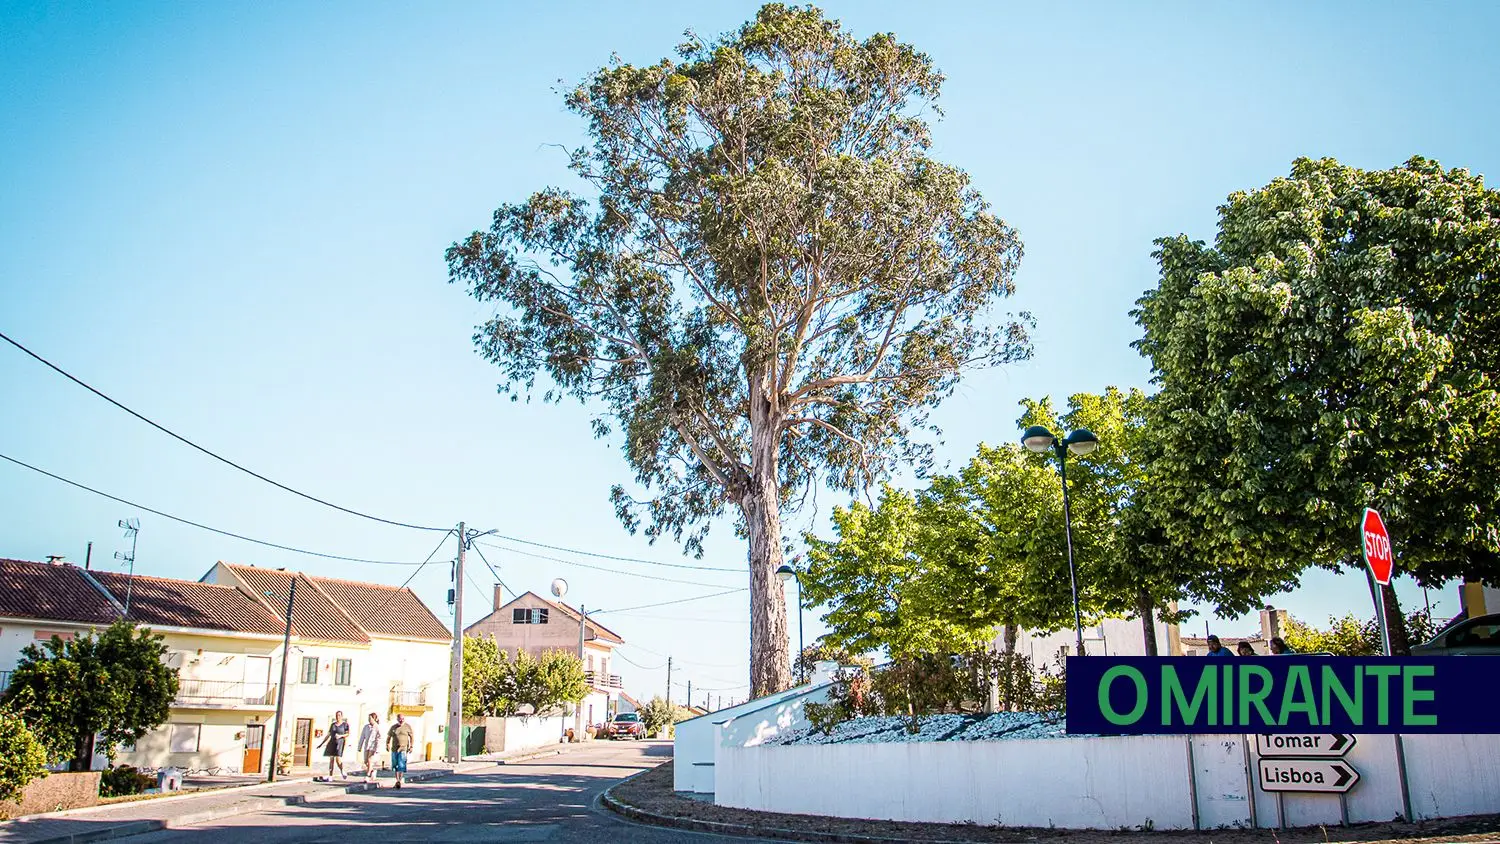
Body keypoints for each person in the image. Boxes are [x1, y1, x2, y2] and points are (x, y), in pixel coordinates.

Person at [317, 710, 350, 780]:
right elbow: (328, 734)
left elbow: (347, 734)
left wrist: (341, 736)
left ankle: (342, 770)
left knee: (337, 759)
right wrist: (321, 743)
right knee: (331, 759)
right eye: (337, 715)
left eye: (339, 715)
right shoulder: (333, 725)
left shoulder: (345, 725)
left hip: (340, 742)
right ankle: (330, 775)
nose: (338, 717)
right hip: (332, 742)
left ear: (342, 716)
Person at [387, 713, 415, 789]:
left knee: (401, 765)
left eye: (403, 719)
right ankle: (397, 780)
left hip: (403, 749)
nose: (401, 720)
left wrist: (411, 746)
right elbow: (389, 736)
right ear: (397, 719)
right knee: (395, 765)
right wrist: (387, 744)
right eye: (400, 719)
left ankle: (399, 780)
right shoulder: (393, 727)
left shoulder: (407, 727)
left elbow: (412, 737)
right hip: (394, 749)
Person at [357, 712, 383, 784]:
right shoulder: (366, 727)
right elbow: (362, 736)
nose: (369, 720)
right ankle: (372, 771)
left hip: (373, 746)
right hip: (367, 746)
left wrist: (377, 748)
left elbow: (380, 737)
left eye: (370, 718)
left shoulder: (377, 727)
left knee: (369, 760)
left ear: (374, 719)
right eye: (369, 718)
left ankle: (367, 776)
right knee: (366, 761)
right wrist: (360, 746)